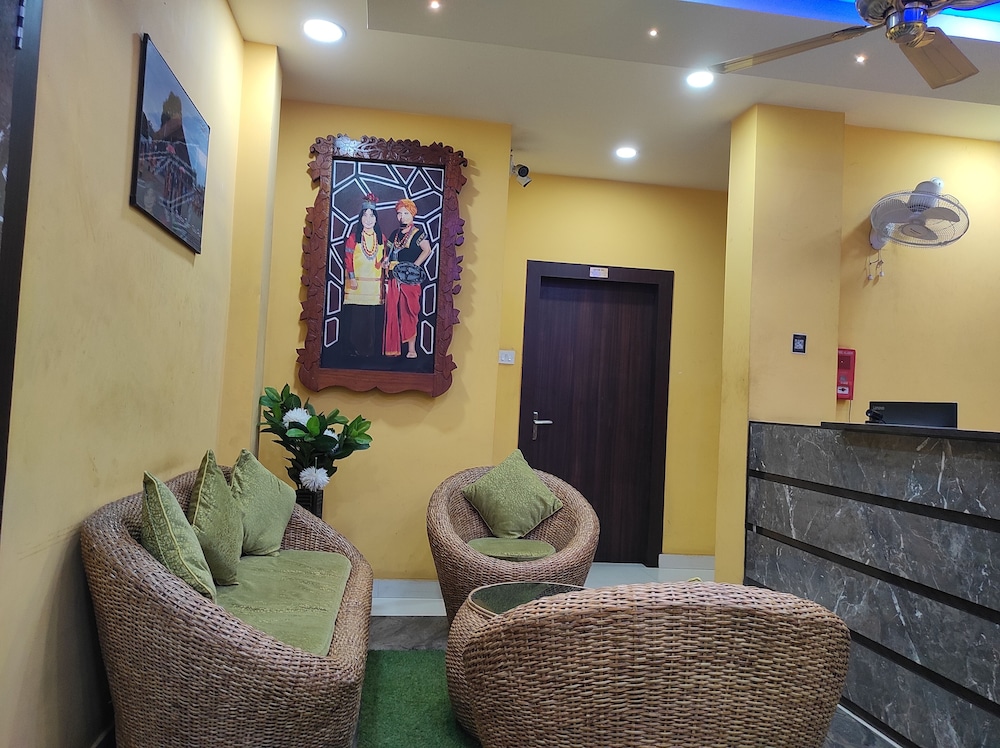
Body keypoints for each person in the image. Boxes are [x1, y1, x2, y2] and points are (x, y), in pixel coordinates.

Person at [383, 198, 432, 358]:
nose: (402, 217)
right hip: (393, 277)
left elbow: (427, 250)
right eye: (399, 213)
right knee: (392, 311)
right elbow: (389, 254)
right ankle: (393, 349)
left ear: (412, 214)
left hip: (409, 279)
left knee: (409, 311)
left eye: (406, 213)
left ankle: (411, 349)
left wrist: (414, 266)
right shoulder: (394, 234)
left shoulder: (418, 233)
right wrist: (386, 261)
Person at [343, 194, 386, 357]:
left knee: (372, 318)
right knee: (355, 317)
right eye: (365, 215)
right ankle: (351, 349)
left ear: (376, 218)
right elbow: (348, 260)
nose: (368, 219)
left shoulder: (381, 238)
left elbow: (380, 260)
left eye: (371, 215)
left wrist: (384, 263)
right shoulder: (353, 238)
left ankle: (371, 351)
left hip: (374, 287)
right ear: (360, 218)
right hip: (356, 285)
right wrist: (352, 278)